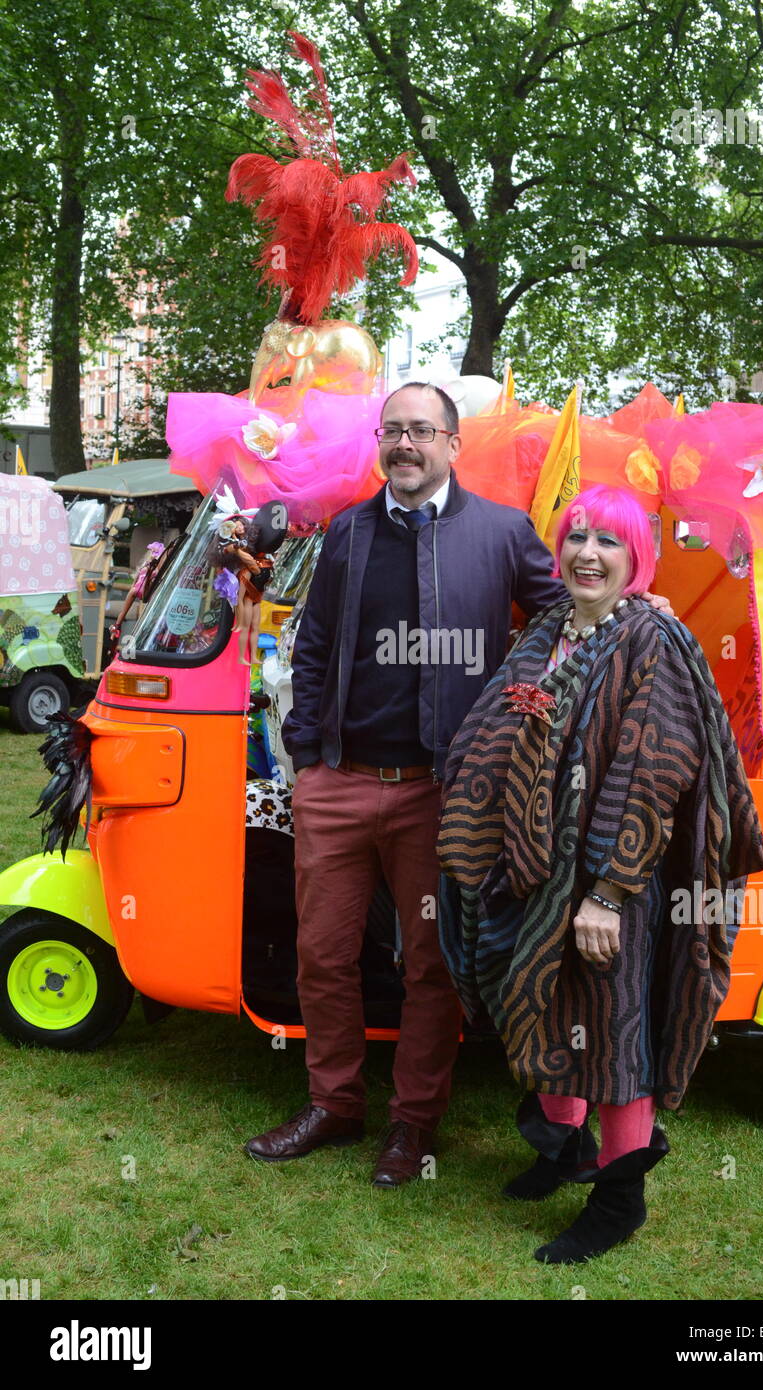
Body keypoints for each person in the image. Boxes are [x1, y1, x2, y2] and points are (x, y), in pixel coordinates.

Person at [243, 389, 672, 1186]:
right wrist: (306, 756)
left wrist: (634, 609)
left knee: (431, 965)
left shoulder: (502, 533)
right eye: (393, 431)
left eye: (420, 431)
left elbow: (567, 616)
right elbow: (315, 643)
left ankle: (413, 1127)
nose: (404, 445)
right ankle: (333, 1104)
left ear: (451, 442)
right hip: (337, 781)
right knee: (323, 956)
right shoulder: (346, 531)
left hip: (443, 795)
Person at [437, 485, 763, 1261]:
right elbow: (495, 722)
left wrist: (608, 894)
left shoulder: (653, 638)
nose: (588, 553)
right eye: (576, 537)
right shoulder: (552, 625)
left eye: (608, 542)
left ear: (637, 556)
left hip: (614, 881)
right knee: (553, 1012)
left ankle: (619, 1199)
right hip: (539, 873)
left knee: (618, 1039)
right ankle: (564, 1150)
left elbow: (652, 769)